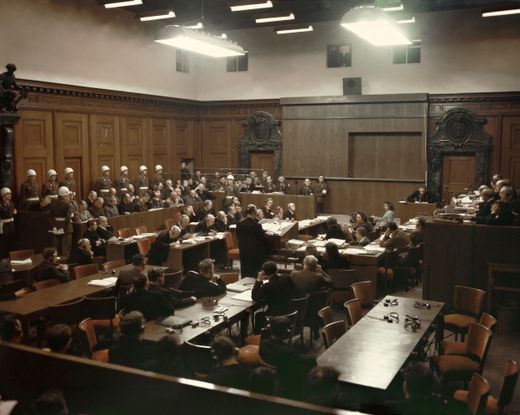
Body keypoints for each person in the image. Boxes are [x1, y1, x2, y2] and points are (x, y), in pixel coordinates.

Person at [236, 204, 268, 278]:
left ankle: (244, 278)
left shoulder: (240, 223)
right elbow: (262, 238)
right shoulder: (256, 225)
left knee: (245, 266)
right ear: (254, 213)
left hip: (243, 249)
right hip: (255, 251)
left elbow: (238, 236)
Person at [49, 186, 74, 257]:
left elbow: (50, 216)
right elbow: (68, 217)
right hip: (66, 228)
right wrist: (64, 228)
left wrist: (53, 226)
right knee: (65, 249)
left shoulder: (53, 203)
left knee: (55, 249)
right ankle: (64, 265)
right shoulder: (68, 204)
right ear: (65, 195)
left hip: (56, 226)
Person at [0, 187, 16, 258]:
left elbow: (12, 212)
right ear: (3, 195)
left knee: (12, 241)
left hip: (11, 224)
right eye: (8, 194)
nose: (9, 195)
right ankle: (4, 258)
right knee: (4, 242)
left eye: (10, 194)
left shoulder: (11, 204)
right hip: (4, 225)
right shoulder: (0, 205)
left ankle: (11, 257)